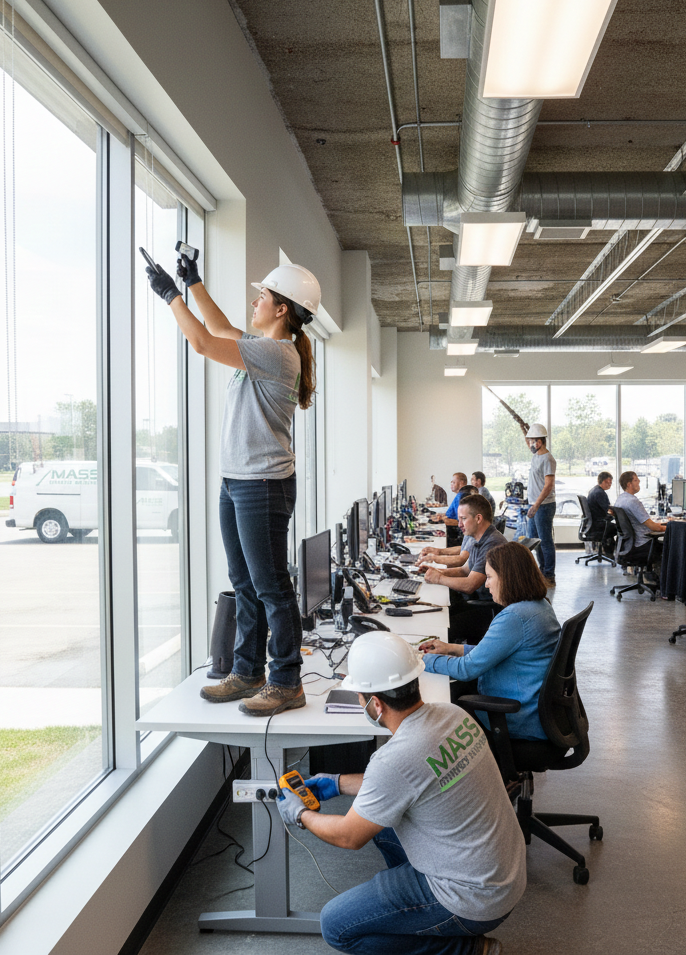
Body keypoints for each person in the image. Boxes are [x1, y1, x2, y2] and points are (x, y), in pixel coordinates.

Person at [276, 632, 526, 955]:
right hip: (505, 875)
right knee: (382, 829)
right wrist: (336, 782)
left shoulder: (394, 759)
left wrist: (300, 814)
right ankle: (414, 916)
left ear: (376, 705)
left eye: (360, 696)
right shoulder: (453, 715)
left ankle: (464, 949)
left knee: (336, 927)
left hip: (473, 899)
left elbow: (349, 837)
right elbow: (402, 783)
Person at [145, 256, 319, 717]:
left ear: (282, 309)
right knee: (244, 582)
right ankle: (248, 671)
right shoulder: (265, 346)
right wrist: (193, 282)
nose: (254, 301)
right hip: (239, 481)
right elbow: (220, 327)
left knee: (271, 587)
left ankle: (286, 681)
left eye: (262, 296)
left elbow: (202, 342)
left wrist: (170, 297)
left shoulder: (276, 353)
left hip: (261, 484)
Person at [419, 541, 559, 741]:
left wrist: (420, 659)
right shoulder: (540, 607)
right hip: (532, 710)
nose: (486, 584)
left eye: (490, 577)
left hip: (512, 716)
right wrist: (452, 649)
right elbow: (494, 652)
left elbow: (466, 670)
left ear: (509, 578)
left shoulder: (515, 617)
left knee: (435, 702)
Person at [423, 495, 508, 644]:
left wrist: (438, 578)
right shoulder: (479, 538)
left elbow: (469, 585)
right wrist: (436, 572)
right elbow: (464, 570)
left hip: (489, 609)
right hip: (476, 602)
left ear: (478, 518)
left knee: (436, 627)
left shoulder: (492, 543)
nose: (459, 524)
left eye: (463, 519)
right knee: (434, 612)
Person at [521, 422, 557, 584]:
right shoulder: (536, 456)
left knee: (545, 541)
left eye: (533, 441)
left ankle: (549, 575)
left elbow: (548, 485)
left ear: (541, 441)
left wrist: (536, 505)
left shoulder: (548, 459)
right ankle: (541, 572)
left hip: (543, 506)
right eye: (530, 441)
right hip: (534, 504)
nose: (530, 444)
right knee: (534, 540)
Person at [613, 470, 667, 566]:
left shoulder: (620, 499)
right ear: (629, 484)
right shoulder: (633, 501)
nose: (639, 482)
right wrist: (671, 528)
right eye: (636, 480)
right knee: (674, 545)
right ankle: (666, 579)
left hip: (628, 545)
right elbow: (654, 528)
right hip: (642, 544)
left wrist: (660, 525)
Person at [587, 470, 616, 550]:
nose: (610, 484)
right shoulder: (600, 493)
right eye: (609, 482)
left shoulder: (594, 490)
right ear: (604, 481)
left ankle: (609, 550)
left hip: (593, 523)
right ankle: (617, 552)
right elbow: (607, 509)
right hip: (599, 524)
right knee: (622, 528)